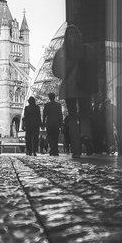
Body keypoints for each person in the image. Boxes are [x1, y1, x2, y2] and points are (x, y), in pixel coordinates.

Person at [52, 24, 99, 158]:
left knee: (72, 117)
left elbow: (55, 71)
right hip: (84, 86)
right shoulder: (88, 50)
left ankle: (76, 148)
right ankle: (85, 135)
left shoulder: (61, 52)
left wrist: (66, 74)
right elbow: (96, 66)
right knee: (85, 115)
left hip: (70, 87)